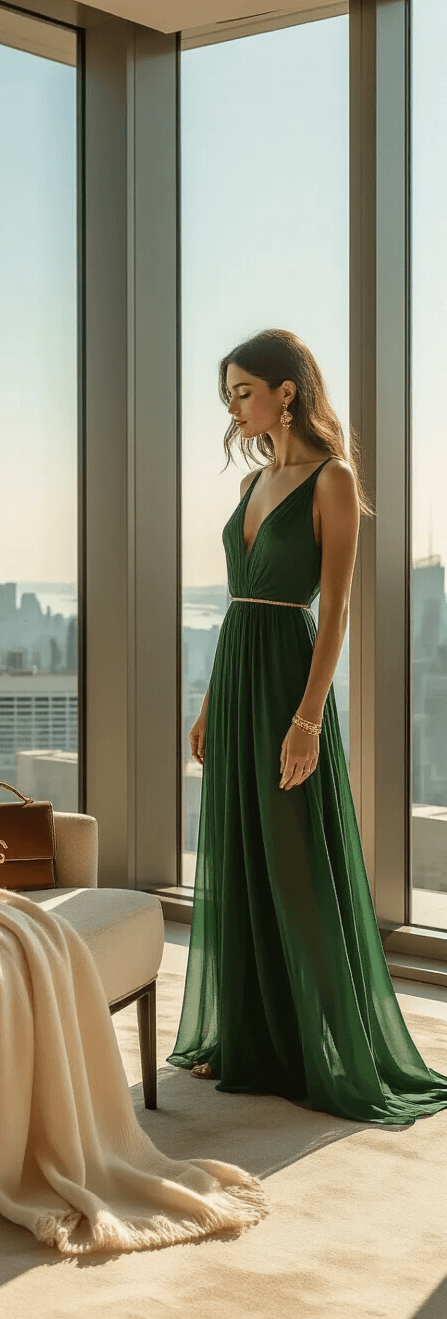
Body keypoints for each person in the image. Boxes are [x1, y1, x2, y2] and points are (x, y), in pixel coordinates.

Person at [169, 328, 447, 1123]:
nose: (233, 406)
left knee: (294, 861)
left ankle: (333, 1042)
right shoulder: (254, 480)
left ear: (287, 390)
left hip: (289, 677)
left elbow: (336, 610)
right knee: (243, 856)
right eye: (228, 395)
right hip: (239, 672)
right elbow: (237, 607)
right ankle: (253, 1037)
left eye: (244, 390)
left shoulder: (333, 478)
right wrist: (210, 703)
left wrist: (308, 718)